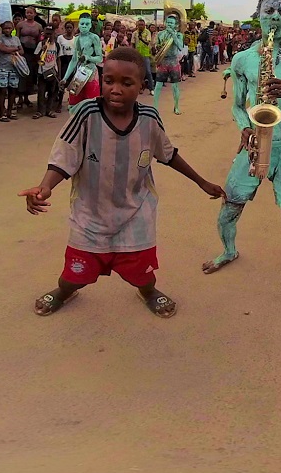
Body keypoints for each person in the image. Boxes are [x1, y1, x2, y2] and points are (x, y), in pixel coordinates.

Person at [20, 48, 225, 318]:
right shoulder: (86, 114)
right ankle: (64, 291)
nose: (115, 89)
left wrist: (201, 182)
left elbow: (167, 154)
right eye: (109, 81)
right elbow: (63, 158)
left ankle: (148, 292)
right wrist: (45, 187)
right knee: (74, 274)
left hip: (136, 214)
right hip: (90, 216)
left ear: (142, 84)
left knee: (142, 273)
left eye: (126, 83)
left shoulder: (149, 118)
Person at [205, 0, 281, 281]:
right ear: (259, 16)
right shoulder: (242, 59)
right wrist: (244, 127)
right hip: (255, 143)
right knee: (228, 211)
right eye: (269, 11)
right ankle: (229, 250)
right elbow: (237, 105)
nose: (276, 18)